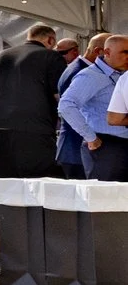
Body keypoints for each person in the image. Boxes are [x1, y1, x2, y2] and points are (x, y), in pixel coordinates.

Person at [0, 24, 67, 178]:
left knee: (6, 178)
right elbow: (60, 97)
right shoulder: (51, 57)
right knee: (38, 178)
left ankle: (5, 203)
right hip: (34, 126)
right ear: (50, 40)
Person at [62, 36, 128, 182]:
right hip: (104, 146)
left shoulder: (121, 74)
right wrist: (90, 137)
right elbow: (66, 105)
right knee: (105, 199)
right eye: (125, 52)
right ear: (107, 52)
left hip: (120, 145)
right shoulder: (91, 75)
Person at [57, 33, 113, 180]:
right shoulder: (82, 72)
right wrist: (91, 137)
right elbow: (67, 107)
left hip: (78, 147)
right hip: (79, 148)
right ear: (99, 52)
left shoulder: (76, 68)